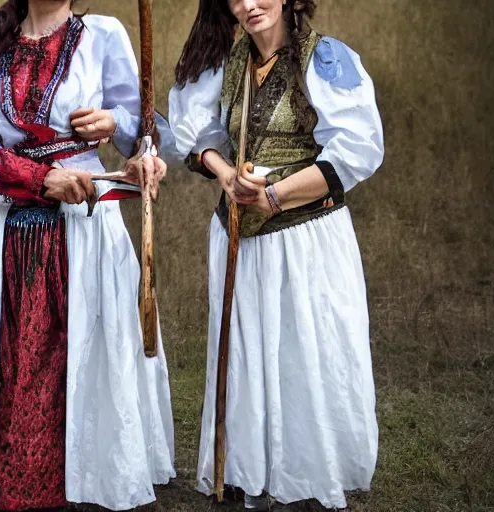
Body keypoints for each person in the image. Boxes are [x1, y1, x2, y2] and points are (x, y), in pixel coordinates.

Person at [0, 1, 174, 511]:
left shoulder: (102, 36)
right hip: (7, 231)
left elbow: (149, 133)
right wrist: (39, 179)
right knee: (8, 352)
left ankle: (93, 475)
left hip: (85, 230)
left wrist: (119, 127)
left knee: (83, 347)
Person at [165, 0, 384, 509]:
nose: (249, 4)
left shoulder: (322, 59)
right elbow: (195, 137)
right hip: (239, 238)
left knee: (303, 352)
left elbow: (356, 150)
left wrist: (275, 195)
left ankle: (309, 471)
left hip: (305, 241)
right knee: (246, 354)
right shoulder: (227, 62)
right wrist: (225, 174)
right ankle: (250, 471)